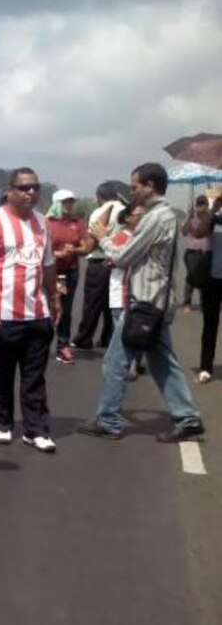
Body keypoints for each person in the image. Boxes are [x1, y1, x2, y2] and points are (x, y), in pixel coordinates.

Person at [79, 163, 205, 442]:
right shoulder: (164, 215)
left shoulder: (156, 217)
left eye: (135, 187)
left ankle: (108, 419)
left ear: (150, 186)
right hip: (155, 300)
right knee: (162, 361)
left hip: (146, 302)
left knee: (114, 362)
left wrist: (103, 238)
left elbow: (125, 256)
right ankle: (187, 417)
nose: (132, 192)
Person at [0, 167, 59, 453]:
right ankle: (1, 423)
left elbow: (47, 265)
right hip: (2, 314)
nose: (30, 193)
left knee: (35, 375)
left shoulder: (42, 223)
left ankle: (36, 429)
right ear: (9, 190)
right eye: (23, 188)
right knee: (1, 373)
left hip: (37, 313)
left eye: (35, 187)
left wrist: (54, 298)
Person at [72, 183, 125, 351]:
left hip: (98, 260)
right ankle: (108, 338)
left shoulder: (99, 212)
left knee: (92, 303)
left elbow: (92, 239)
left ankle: (84, 338)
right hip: (117, 262)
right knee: (112, 304)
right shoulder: (124, 210)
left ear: (100, 196)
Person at [46, 189, 91, 364]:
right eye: (66, 202)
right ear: (57, 203)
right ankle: (41, 342)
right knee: (48, 306)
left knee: (64, 308)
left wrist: (74, 250)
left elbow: (86, 247)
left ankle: (63, 345)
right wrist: (56, 254)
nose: (70, 205)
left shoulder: (77, 223)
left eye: (71, 201)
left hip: (68, 272)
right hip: (51, 270)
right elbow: (40, 248)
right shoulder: (47, 223)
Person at [107, 203, 146, 381]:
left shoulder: (144, 236)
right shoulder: (120, 237)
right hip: (120, 287)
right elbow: (111, 260)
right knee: (121, 328)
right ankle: (121, 365)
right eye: (139, 214)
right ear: (128, 218)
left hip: (139, 288)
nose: (142, 217)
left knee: (138, 326)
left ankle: (134, 364)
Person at [190, 194, 222, 385]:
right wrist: (213, 208)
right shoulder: (214, 216)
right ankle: (206, 368)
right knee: (210, 324)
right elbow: (199, 232)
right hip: (213, 278)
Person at [180, 195, 210, 312]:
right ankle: (187, 303)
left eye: (204, 204)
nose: (202, 207)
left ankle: (204, 304)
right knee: (191, 278)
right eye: (200, 204)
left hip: (205, 252)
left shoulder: (209, 217)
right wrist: (190, 217)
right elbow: (183, 232)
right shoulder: (192, 217)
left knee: (205, 279)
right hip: (192, 252)